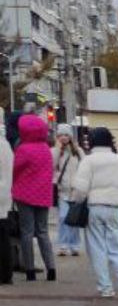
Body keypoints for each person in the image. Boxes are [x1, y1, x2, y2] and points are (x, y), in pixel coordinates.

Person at [70, 127, 118, 298]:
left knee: (97, 249)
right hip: (115, 208)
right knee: (117, 248)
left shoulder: (88, 161)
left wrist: (79, 201)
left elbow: (80, 189)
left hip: (94, 207)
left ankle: (106, 287)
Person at [12, 112, 56, 281]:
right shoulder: (46, 149)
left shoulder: (23, 149)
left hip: (24, 195)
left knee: (27, 232)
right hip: (43, 195)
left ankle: (30, 270)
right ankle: (51, 268)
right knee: (43, 231)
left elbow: (15, 170)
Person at [53, 124, 84, 256]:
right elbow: (51, 167)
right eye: (61, 135)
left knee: (74, 219)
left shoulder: (77, 151)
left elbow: (84, 167)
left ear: (71, 137)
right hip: (62, 190)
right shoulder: (55, 151)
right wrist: (57, 150)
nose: (64, 138)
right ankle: (63, 245)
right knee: (63, 217)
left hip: (76, 190)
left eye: (66, 135)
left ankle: (74, 245)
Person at [0, 112, 13, 285]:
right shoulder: (5, 145)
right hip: (4, 198)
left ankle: (4, 273)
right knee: (3, 236)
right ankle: (5, 274)